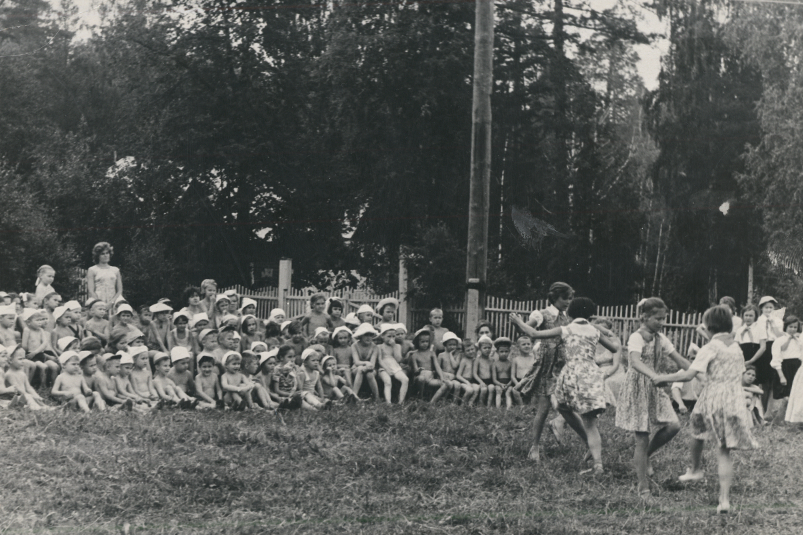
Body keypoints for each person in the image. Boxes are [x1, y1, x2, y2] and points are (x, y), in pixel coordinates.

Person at [654, 305, 757, 514]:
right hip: (733, 398)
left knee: (698, 430)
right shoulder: (736, 348)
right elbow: (734, 375)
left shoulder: (710, 347)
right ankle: (724, 499)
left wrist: (662, 378)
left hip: (713, 398)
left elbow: (688, 375)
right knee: (722, 448)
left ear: (709, 327)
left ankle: (695, 469)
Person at [614, 297, 691, 499]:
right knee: (642, 437)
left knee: (674, 425)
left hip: (654, 386)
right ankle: (643, 488)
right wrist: (653, 376)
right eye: (658, 319)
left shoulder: (661, 338)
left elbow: (680, 360)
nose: (662, 322)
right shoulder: (636, 337)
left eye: (664, 318)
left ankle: (645, 456)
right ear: (644, 317)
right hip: (638, 387)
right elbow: (634, 361)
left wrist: (699, 372)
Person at [514, 282, 574, 463]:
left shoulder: (566, 316)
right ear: (555, 297)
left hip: (563, 364)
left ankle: (559, 421)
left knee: (571, 399)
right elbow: (525, 330)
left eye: (570, 299)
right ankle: (535, 446)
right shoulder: (541, 314)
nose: (568, 302)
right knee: (544, 408)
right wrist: (518, 323)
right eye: (565, 298)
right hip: (547, 365)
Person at [769, 315, 802, 422]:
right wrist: (781, 376)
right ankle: (779, 420)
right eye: (790, 327)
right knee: (784, 394)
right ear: (785, 326)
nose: (793, 329)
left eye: (795, 327)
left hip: (797, 368)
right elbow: (776, 359)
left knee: (795, 394)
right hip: (784, 368)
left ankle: (792, 419)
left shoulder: (799, 340)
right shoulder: (779, 340)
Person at [755, 296, 784, 409]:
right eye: (766, 307)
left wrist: (772, 323)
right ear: (761, 308)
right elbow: (760, 336)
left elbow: (780, 335)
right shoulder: (759, 320)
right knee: (764, 381)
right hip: (764, 348)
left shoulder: (777, 320)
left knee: (774, 379)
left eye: (771, 307)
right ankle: (762, 408)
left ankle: (771, 409)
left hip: (775, 346)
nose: (768, 310)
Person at [409, 328, 448, 402]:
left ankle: (432, 401)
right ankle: (420, 398)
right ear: (417, 342)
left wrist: (442, 377)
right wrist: (419, 370)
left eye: (427, 341)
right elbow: (415, 371)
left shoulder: (431, 353)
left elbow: (437, 367)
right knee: (421, 378)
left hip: (430, 378)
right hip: (419, 377)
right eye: (422, 342)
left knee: (446, 384)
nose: (425, 344)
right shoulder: (415, 355)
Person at [22, 309, 59, 386]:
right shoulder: (27, 330)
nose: (40, 322)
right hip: (31, 356)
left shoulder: (41, 330)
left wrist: (35, 352)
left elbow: (45, 343)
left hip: (40, 354)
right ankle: (43, 386)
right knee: (43, 367)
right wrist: (27, 354)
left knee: (54, 366)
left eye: (41, 320)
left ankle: (54, 385)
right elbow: (24, 345)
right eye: (37, 320)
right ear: (28, 322)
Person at [4, 345, 48, 410]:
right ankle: (37, 408)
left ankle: (44, 406)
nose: (23, 361)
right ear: (10, 360)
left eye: (24, 358)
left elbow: (28, 387)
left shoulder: (22, 373)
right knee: (28, 397)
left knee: (33, 397)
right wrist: (30, 396)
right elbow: (19, 390)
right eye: (20, 359)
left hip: (23, 396)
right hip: (13, 399)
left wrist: (35, 395)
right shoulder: (9, 374)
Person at [375, 324, 409, 404]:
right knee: (387, 381)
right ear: (382, 336)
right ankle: (388, 402)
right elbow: (379, 360)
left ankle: (401, 401)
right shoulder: (379, 346)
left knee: (405, 379)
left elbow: (398, 359)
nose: (392, 338)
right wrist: (387, 369)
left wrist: (394, 346)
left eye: (393, 336)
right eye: (389, 336)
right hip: (383, 367)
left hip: (395, 366)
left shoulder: (397, 346)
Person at [350, 323, 380, 400]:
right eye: (366, 335)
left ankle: (376, 397)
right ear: (360, 335)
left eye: (370, 335)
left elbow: (372, 364)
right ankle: (354, 396)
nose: (368, 337)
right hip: (356, 368)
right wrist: (366, 363)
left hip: (370, 369)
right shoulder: (354, 345)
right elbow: (356, 362)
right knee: (360, 369)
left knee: (369, 374)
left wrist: (367, 367)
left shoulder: (375, 347)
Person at [473, 335, 496, 406]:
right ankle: (480, 404)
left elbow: (493, 373)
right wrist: (481, 382)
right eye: (485, 348)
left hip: (490, 381)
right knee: (484, 389)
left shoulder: (492, 360)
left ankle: (489, 406)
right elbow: (474, 373)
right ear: (480, 349)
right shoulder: (478, 360)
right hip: (480, 380)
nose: (487, 350)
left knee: (491, 388)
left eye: (489, 348)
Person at [455, 340, 480, 405]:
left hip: (471, 381)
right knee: (469, 390)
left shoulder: (475, 360)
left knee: (477, 388)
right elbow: (458, 375)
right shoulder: (464, 361)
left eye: (472, 349)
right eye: (468, 350)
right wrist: (466, 382)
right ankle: (462, 404)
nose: (471, 351)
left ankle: (470, 403)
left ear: (475, 349)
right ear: (464, 352)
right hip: (463, 382)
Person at [491, 338, 514, 408]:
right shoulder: (495, 364)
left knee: (508, 392)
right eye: (501, 351)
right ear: (497, 352)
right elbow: (494, 379)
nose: (504, 353)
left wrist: (508, 384)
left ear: (509, 351)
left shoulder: (510, 363)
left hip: (508, 383)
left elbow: (512, 377)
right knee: (498, 391)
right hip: (498, 383)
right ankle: (498, 408)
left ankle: (508, 409)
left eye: (506, 351)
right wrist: (500, 384)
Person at [438, 332, 462, 399]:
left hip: (453, 377)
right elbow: (438, 368)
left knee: (457, 385)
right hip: (443, 376)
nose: (452, 347)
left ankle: (453, 402)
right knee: (448, 384)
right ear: (445, 345)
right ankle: (443, 399)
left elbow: (455, 366)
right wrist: (441, 376)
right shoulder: (441, 355)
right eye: (450, 345)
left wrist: (451, 355)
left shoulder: (457, 355)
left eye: (454, 345)